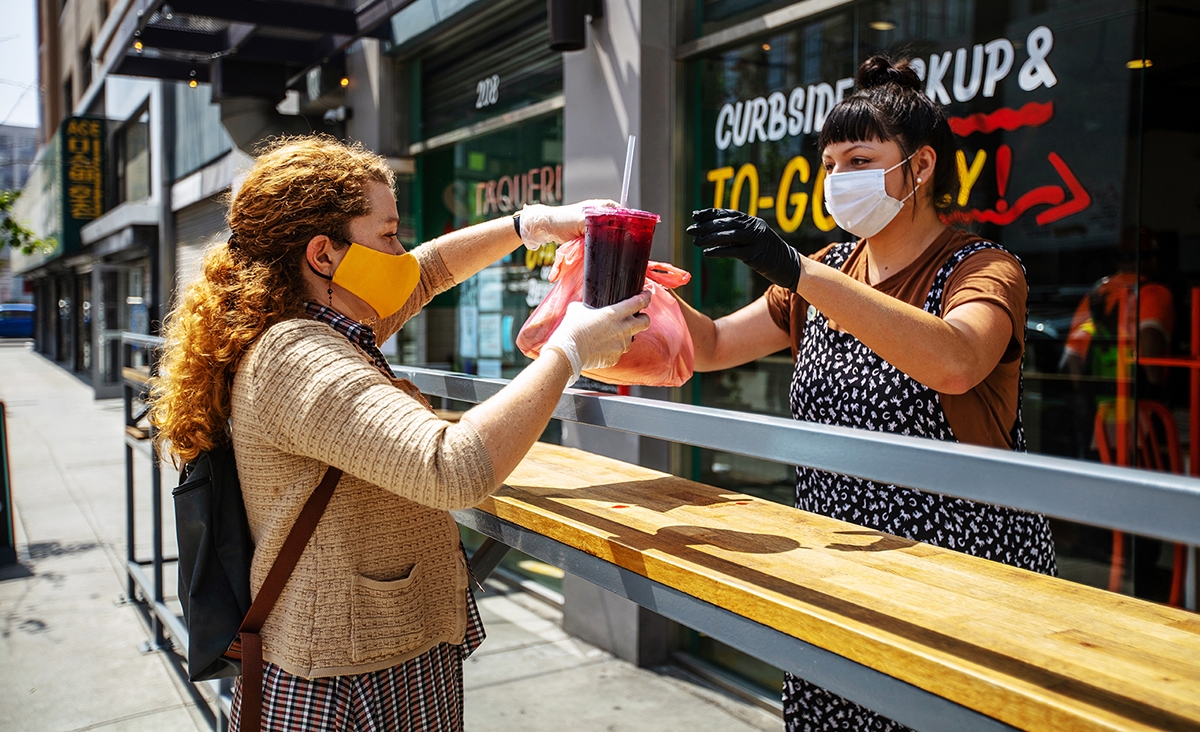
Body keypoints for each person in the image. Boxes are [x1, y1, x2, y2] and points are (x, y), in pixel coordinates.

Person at [150, 135, 650, 731]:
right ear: (323, 254)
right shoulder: (296, 354)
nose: (400, 249)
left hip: (375, 652)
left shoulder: (317, 319)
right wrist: (568, 350)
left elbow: (429, 271)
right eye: (386, 234)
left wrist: (532, 224)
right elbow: (451, 466)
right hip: (346, 679)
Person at [678, 56, 1056, 731]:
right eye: (829, 165)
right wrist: (634, 287)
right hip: (839, 569)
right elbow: (709, 349)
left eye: (858, 159)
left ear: (920, 167)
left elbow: (957, 361)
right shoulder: (825, 269)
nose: (838, 179)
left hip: (960, 576)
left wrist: (794, 268)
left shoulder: (982, 268)